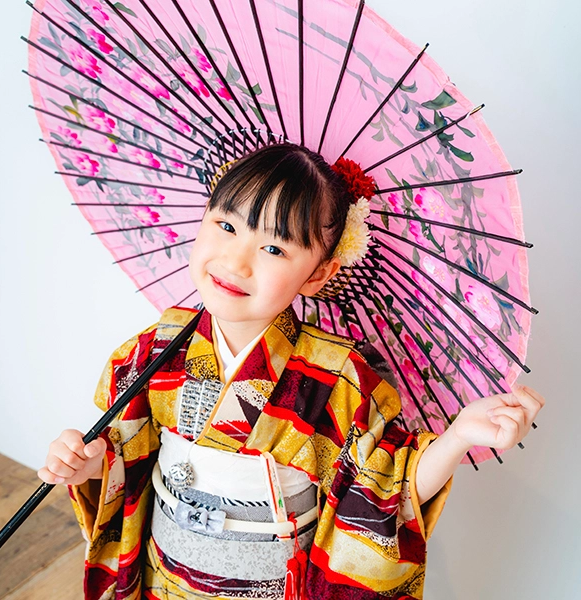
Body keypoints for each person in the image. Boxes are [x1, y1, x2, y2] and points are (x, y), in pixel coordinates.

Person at [38, 143, 544, 600]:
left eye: (275, 248)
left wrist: (457, 438)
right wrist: (90, 463)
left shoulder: (337, 376)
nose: (237, 261)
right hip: (163, 581)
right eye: (227, 226)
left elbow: (386, 486)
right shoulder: (157, 348)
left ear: (319, 273)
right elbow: (128, 457)